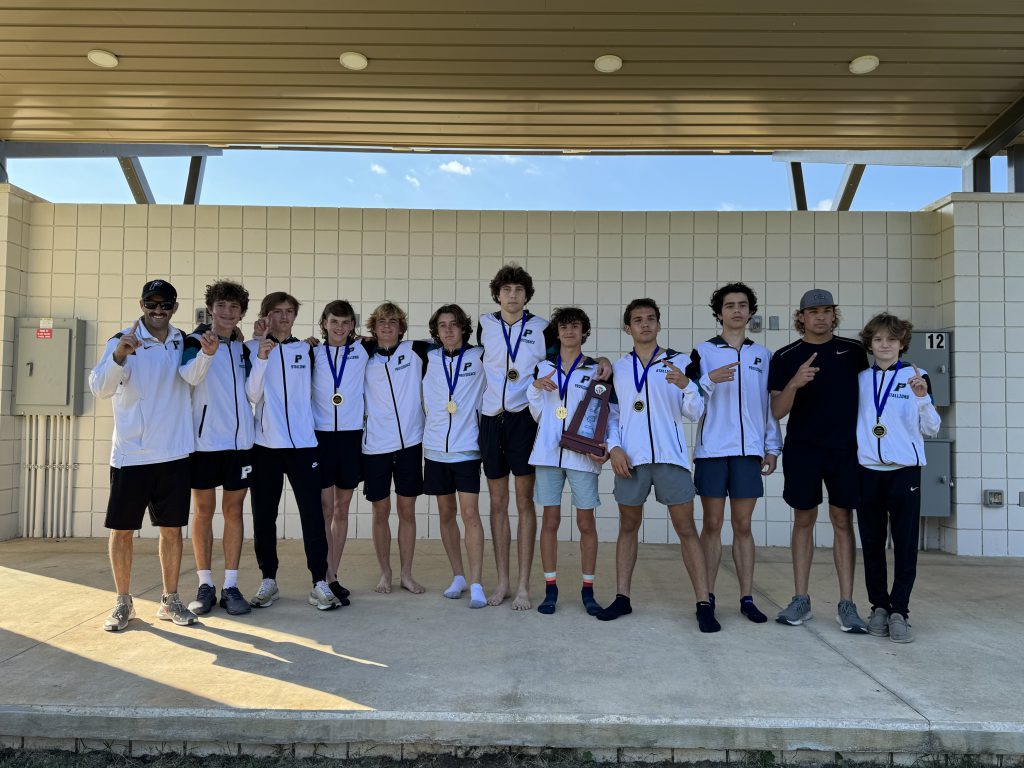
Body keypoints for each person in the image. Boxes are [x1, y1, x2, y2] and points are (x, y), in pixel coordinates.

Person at [477, 263, 612, 610]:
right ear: (497, 294)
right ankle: (504, 581)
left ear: (526, 295)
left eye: (519, 290)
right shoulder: (484, 325)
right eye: (506, 290)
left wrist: (602, 359)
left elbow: (570, 356)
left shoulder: (541, 328)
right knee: (496, 504)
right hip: (491, 419)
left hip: (525, 419)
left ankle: (524, 585)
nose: (512, 295)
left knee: (525, 503)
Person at [600, 298, 719, 632]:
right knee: (627, 528)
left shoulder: (680, 362)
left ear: (659, 324)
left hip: (670, 458)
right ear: (628, 328)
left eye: (651, 319)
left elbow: (695, 412)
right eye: (637, 320)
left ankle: (703, 602)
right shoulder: (619, 369)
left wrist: (687, 386)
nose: (645, 324)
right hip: (631, 461)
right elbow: (611, 415)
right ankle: (622, 597)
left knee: (686, 530)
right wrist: (614, 448)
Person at [89, 279, 197, 631]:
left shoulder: (183, 341)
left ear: (174, 308)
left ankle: (170, 599)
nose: (158, 311)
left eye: (165, 305)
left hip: (175, 453)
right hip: (132, 455)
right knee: (122, 531)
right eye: (151, 304)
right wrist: (120, 356)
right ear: (142, 304)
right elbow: (100, 388)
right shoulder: (123, 339)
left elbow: (198, 370)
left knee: (171, 530)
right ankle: (123, 602)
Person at [768, 288, 869, 633]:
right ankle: (800, 599)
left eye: (827, 311)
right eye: (814, 312)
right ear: (801, 317)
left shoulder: (854, 353)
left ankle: (847, 603)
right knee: (803, 520)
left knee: (843, 520)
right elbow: (777, 411)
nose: (821, 317)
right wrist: (795, 383)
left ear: (834, 315)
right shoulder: (785, 356)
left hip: (845, 450)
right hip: (804, 449)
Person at [686, 283, 781, 625]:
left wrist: (772, 446)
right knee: (711, 524)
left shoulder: (763, 355)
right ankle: (706, 598)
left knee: (743, 525)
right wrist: (708, 380)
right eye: (730, 305)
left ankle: (746, 597)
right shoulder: (702, 353)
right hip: (712, 452)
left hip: (749, 453)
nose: (737, 310)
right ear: (719, 314)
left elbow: (769, 405)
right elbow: (691, 406)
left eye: (743, 305)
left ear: (751, 312)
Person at [245, 292, 338, 611]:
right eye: (276, 312)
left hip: (303, 446)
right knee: (264, 517)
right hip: (265, 448)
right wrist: (261, 355)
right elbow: (252, 394)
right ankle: (268, 579)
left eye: (289, 312)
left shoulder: (307, 349)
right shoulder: (253, 349)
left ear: (295, 316)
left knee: (313, 516)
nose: (284, 317)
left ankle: (320, 582)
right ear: (265, 316)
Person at [526, 306, 617, 616]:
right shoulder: (543, 368)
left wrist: (603, 445)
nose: (569, 332)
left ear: (583, 333)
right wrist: (535, 389)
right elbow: (537, 413)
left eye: (575, 327)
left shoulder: (596, 369)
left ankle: (587, 590)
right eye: (564, 327)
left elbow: (607, 413)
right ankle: (550, 588)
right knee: (550, 521)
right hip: (549, 455)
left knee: (585, 522)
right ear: (558, 332)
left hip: (581, 457)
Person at [856, 313, 940, 644]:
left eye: (891, 339)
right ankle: (878, 606)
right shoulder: (861, 378)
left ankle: (899, 611)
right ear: (870, 344)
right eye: (878, 339)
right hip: (868, 472)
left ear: (902, 343)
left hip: (904, 472)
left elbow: (931, 429)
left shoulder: (916, 377)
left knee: (905, 546)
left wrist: (922, 398)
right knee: (873, 545)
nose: (885, 345)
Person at [178, 280, 254, 616]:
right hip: (205, 443)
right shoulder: (195, 341)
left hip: (240, 445)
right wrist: (207, 354)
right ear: (211, 308)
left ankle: (232, 586)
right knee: (204, 512)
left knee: (234, 513)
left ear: (240, 314)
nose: (227, 312)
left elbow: (253, 391)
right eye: (221, 305)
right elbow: (189, 377)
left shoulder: (242, 347)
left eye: (234, 307)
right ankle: (205, 584)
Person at [362, 301, 431, 594]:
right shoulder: (361, 354)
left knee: (407, 510)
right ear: (373, 328)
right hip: (375, 445)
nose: (387, 326)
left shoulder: (417, 350)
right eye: (381, 322)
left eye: (393, 322)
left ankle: (406, 573)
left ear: (401, 327)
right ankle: (385, 572)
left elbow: (461, 344)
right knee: (380, 510)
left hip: (410, 444)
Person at [422, 304, 487, 609]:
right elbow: (379, 346)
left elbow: (543, 350)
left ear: (464, 328)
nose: (448, 330)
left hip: (466, 448)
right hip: (435, 449)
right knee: (446, 514)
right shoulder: (426, 357)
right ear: (436, 331)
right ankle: (458, 576)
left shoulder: (481, 355)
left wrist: (601, 360)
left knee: (470, 514)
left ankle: (476, 582)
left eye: (454, 325)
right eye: (443, 326)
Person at [311, 300, 372, 606]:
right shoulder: (312, 353)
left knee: (342, 509)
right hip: (321, 437)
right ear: (324, 323)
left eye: (346, 322)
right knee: (324, 508)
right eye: (334, 321)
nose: (339, 327)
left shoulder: (363, 350)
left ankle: (333, 572)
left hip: (350, 437)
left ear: (352, 326)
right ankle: (325, 575)